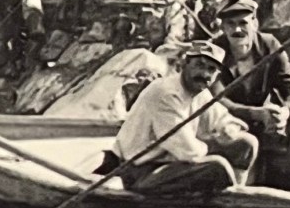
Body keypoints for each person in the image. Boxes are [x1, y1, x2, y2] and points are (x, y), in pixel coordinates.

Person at [105, 40, 258, 198]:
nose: (204, 74)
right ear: (184, 63)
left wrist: (228, 129)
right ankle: (230, 204)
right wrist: (215, 141)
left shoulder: (199, 91)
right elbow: (188, 151)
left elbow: (223, 118)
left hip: (171, 161)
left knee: (246, 144)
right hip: (142, 171)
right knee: (217, 166)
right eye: (199, 65)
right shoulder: (165, 94)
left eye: (211, 69)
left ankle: (236, 196)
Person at [211, 0, 290, 193]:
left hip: (266, 122)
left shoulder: (269, 45)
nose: (237, 30)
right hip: (228, 124)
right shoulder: (215, 51)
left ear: (255, 23)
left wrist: (285, 112)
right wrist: (256, 113)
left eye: (243, 23)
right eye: (230, 24)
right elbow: (218, 101)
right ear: (223, 28)